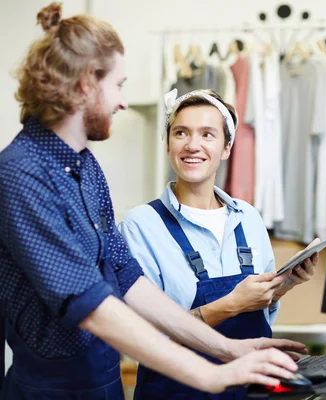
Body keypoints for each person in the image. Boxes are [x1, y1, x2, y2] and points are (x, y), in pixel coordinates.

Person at [0, 3, 307, 400]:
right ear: (85, 84)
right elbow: (89, 305)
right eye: (119, 85)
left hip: (104, 382)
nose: (123, 102)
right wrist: (211, 375)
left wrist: (228, 350)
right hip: (49, 390)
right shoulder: (22, 174)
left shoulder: (85, 168)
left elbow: (127, 277)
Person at [118, 87, 322, 399]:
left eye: (207, 134)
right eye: (181, 132)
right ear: (169, 142)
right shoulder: (141, 225)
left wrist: (285, 284)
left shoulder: (249, 218)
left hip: (249, 389)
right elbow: (145, 339)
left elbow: (263, 314)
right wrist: (231, 304)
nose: (192, 145)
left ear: (227, 147)